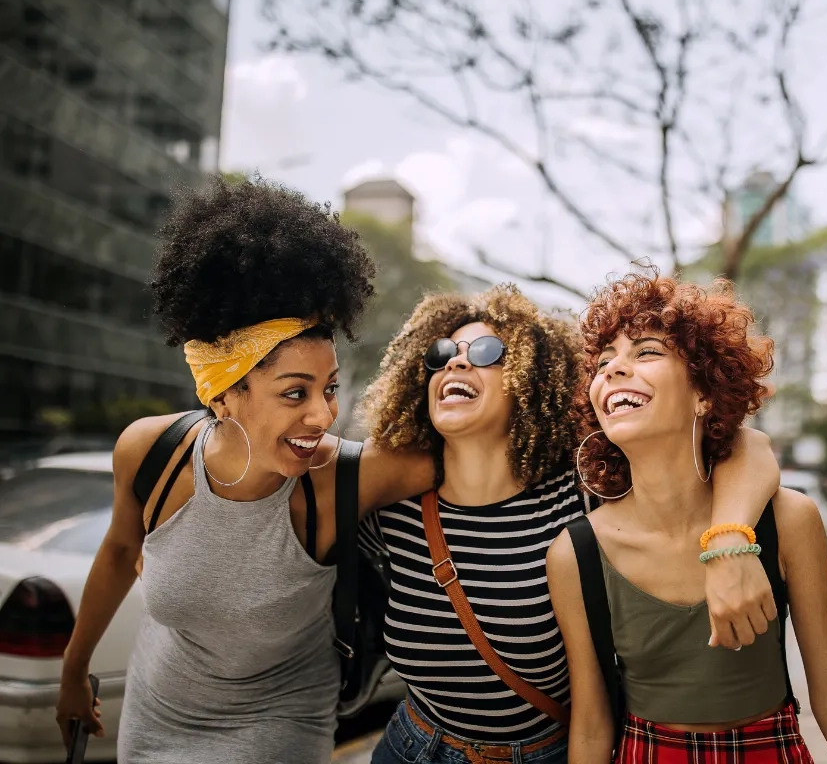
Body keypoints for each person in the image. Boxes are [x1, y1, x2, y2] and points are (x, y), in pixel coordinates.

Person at [55, 177, 435, 764]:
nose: (323, 415)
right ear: (226, 395)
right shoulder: (151, 453)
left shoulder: (344, 478)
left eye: (330, 388)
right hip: (154, 715)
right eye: (294, 392)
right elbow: (118, 552)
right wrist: (73, 672)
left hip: (281, 723)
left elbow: (474, 453)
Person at [357, 285, 784, 764]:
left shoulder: (584, 494)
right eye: (441, 354)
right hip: (413, 748)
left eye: (485, 351)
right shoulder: (395, 510)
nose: (456, 362)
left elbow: (750, 446)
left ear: (530, 377)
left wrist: (729, 541)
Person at [546, 273, 827, 763]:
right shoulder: (574, 554)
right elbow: (592, 727)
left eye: (646, 352)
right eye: (604, 362)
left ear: (704, 393)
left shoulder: (788, 521)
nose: (614, 368)